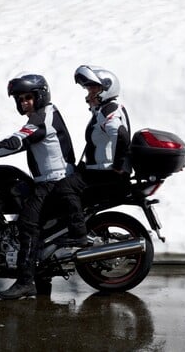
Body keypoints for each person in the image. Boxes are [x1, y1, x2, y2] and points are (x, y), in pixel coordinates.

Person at [0, 73, 75, 300]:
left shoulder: (41, 119)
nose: (24, 102)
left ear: (40, 96)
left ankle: (26, 281)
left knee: (28, 223)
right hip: (53, 178)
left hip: (53, 181)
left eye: (28, 97)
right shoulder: (46, 114)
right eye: (20, 99)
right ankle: (41, 272)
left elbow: (16, 141)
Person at [52, 65, 131, 247]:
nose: (89, 93)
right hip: (99, 170)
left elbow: (121, 135)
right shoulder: (103, 110)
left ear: (106, 89)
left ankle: (78, 234)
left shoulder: (108, 110)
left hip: (108, 173)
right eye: (88, 89)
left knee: (65, 188)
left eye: (93, 88)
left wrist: (118, 166)